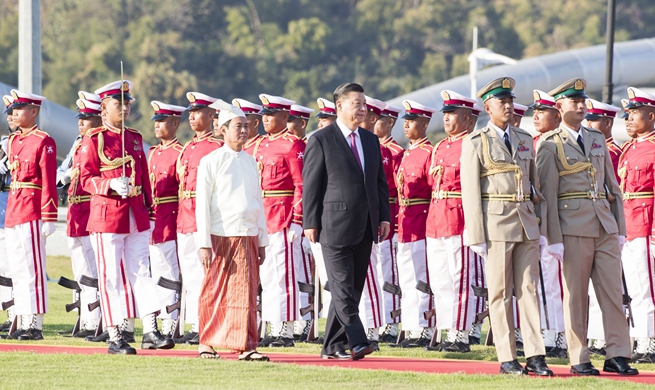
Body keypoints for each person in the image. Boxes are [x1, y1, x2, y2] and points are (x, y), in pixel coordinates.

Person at [536, 78, 636, 375]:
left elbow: (612, 187)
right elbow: (547, 197)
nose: (581, 106)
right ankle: (579, 357)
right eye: (574, 101)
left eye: (582, 101)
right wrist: (552, 237)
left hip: (604, 223)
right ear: (559, 106)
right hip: (572, 227)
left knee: (612, 293)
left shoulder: (596, 139)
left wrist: (619, 228)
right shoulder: (550, 145)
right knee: (576, 296)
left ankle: (617, 353)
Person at [461, 77, 552, 376]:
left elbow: (534, 185)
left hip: (526, 221)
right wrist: (475, 234)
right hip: (496, 222)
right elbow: (470, 191)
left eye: (511, 101)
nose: (510, 106)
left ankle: (536, 355)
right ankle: (507, 356)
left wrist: (539, 225)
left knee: (529, 289)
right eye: (503, 102)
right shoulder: (476, 141)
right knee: (499, 293)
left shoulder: (524, 139)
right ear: (488, 107)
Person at [79, 80, 173, 354]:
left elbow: (143, 176)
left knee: (141, 272)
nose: (125, 108)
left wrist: (150, 210)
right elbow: (85, 178)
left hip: (135, 214)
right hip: (107, 216)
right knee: (110, 277)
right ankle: (114, 333)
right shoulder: (94, 139)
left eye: (128, 103)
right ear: (104, 109)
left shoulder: (133, 137)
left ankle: (150, 329)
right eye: (119, 104)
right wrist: (107, 185)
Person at [303, 82, 390, 360]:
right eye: (357, 104)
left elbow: (379, 183)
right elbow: (312, 185)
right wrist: (310, 222)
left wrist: (384, 217)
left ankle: (331, 346)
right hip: (333, 225)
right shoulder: (321, 139)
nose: (363, 109)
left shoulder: (370, 140)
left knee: (352, 289)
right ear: (339, 106)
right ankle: (358, 340)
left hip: (365, 225)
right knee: (341, 288)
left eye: (365, 104)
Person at [195, 100, 269, 361]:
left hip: (247, 234)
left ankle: (246, 346)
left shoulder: (251, 161)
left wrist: (262, 239)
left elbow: (257, 201)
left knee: (247, 292)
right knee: (214, 289)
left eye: (246, 126)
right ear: (223, 130)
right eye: (238, 126)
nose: (244, 131)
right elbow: (202, 204)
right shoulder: (211, 161)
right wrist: (203, 243)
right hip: (219, 235)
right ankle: (207, 341)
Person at [425, 90, 477, 353]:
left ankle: (461, 334)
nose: (446, 119)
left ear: (467, 119)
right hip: (436, 218)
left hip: (458, 218)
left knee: (459, 278)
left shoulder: (472, 143)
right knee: (440, 280)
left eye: (452, 114)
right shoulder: (440, 146)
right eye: (445, 114)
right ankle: (446, 331)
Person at [4, 90, 57, 341]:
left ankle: (35, 322)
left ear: (34, 111)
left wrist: (49, 216)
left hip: (32, 208)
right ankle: (23, 318)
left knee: (33, 268)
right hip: (14, 208)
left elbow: (48, 181)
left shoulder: (43, 141)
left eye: (20, 108)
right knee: (18, 269)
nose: (14, 113)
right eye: (13, 109)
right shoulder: (14, 141)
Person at [255, 94, 305, 348]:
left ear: (285, 117)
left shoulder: (292, 145)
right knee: (267, 276)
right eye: (264, 114)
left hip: (283, 214)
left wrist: (297, 219)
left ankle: (285, 330)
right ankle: (273, 326)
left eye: (271, 114)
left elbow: (301, 185)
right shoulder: (260, 145)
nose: (265, 119)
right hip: (262, 216)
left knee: (284, 274)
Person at [175, 92, 223, 344]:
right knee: (191, 275)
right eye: (191, 113)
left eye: (198, 112)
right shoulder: (187, 147)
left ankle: (208, 323)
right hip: (185, 216)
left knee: (208, 274)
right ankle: (196, 322)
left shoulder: (217, 147)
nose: (192, 117)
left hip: (205, 217)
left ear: (212, 115)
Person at [56, 93, 104, 338]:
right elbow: (60, 171)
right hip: (75, 209)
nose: (80, 122)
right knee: (80, 268)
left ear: (98, 118)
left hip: (90, 207)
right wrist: (65, 175)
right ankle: (85, 318)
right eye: (80, 117)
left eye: (86, 117)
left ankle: (96, 320)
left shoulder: (100, 141)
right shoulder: (78, 142)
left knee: (92, 267)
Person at [389, 99, 436, 348]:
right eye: (405, 121)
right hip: (404, 223)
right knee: (406, 278)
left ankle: (424, 328)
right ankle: (410, 326)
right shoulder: (406, 154)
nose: (406, 125)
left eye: (412, 121)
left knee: (421, 277)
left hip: (421, 220)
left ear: (425, 124)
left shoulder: (429, 153)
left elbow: (433, 191)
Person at [527, 89, 568, 359]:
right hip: (535, 220)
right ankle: (546, 333)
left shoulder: (562, 142)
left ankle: (560, 335)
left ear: (557, 115)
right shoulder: (532, 142)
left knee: (556, 281)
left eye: (542, 111)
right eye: (535, 111)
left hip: (558, 220)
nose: (536, 115)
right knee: (539, 281)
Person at [617, 87, 655, 364]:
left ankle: (650, 341)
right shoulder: (630, 148)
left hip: (646, 222)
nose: (628, 119)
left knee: (647, 286)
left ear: (651, 116)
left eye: (635, 113)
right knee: (634, 287)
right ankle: (641, 340)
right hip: (629, 223)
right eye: (627, 114)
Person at [583, 98, 622, 356]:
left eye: (594, 119)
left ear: (607, 123)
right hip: (589, 223)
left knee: (613, 288)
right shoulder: (589, 148)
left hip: (608, 225)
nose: (588, 123)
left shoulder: (614, 152)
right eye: (588, 118)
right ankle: (596, 337)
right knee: (589, 290)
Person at [147, 101, 186, 338]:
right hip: (152, 219)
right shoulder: (153, 152)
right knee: (157, 272)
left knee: (171, 271)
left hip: (171, 216)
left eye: (162, 121)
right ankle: (161, 318)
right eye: (156, 121)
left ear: (174, 123)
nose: (157, 126)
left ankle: (172, 321)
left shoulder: (180, 153)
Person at [356, 95, 388, 350]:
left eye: (364, 112)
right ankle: (355, 329)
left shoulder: (375, 145)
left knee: (369, 276)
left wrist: (382, 219)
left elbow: (381, 187)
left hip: (368, 220)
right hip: (347, 220)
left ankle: (373, 330)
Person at [373, 103, 403, 343]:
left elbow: (397, 190)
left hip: (390, 210)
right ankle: (380, 319)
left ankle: (390, 321)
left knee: (388, 269)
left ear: (390, 122)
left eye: (378, 119)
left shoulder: (395, 152)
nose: (374, 124)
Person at [0, 95, 16, 333]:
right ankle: (7, 311)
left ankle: (16, 313)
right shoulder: (4, 143)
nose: (12, 118)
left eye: (15, 113)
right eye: (9, 115)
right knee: (3, 268)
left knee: (14, 266)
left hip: (15, 207)